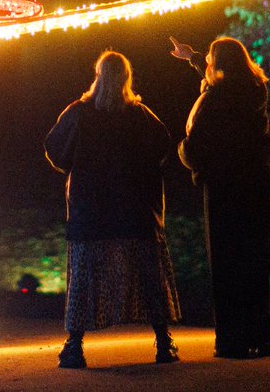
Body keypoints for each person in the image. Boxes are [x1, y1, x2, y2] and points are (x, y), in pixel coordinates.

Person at [44, 50, 181, 369]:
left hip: (89, 213)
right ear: (126, 79)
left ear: (98, 76)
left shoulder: (79, 113)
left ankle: (74, 347)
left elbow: (54, 147)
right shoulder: (139, 115)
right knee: (148, 276)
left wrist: (74, 167)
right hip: (135, 212)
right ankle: (163, 343)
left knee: (83, 279)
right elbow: (162, 145)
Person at [173, 36, 270, 359]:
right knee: (256, 259)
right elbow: (226, 77)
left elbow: (196, 142)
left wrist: (183, 152)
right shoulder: (255, 91)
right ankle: (261, 336)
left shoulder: (215, 99)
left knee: (227, 263)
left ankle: (232, 340)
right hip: (257, 183)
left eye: (209, 59)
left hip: (225, 187)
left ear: (217, 65)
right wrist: (193, 56)